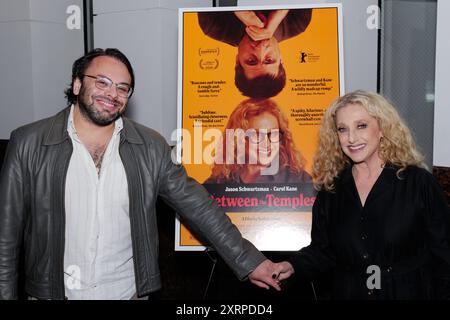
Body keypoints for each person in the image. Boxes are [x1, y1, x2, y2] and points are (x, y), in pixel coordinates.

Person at [0, 48, 286, 300]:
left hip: (129, 293)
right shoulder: (29, 143)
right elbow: (7, 236)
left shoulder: (150, 146)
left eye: (123, 88)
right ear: (76, 84)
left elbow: (198, 206)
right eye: (102, 82)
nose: (112, 94)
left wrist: (250, 261)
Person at [273, 90, 450, 299]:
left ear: (382, 128)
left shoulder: (419, 184)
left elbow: (445, 257)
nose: (351, 138)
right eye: (342, 129)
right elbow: (323, 251)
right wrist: (292, 265)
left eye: (361, 126)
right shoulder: (331, 191)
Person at [198, 9, 312, 99]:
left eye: (251, 61)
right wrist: (280, 12)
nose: (260, 49)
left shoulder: (213, 26)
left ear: (237, 60)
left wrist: (245, 14)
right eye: (269, 60)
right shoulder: (298, 23)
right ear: (281, 58)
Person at [205, 99, 312, 184]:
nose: (267, 143)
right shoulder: (219, 181)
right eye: (257, 135)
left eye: (273, 134)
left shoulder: (300, 181)